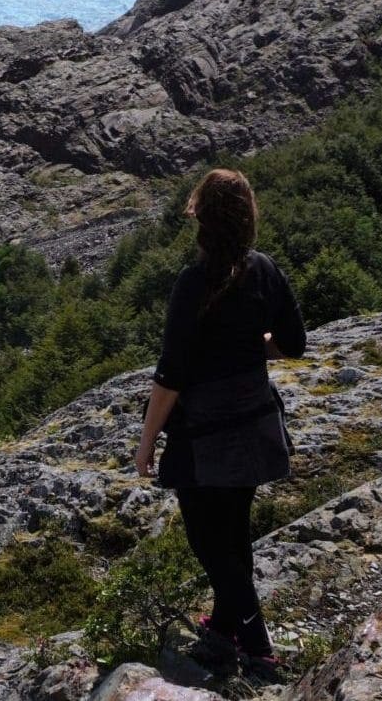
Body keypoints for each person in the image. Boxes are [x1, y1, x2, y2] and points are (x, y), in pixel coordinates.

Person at [133, 167, 307, 682]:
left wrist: (146, 442)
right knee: (232, 537)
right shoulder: (265, 270)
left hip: (203, 439)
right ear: (249, 217)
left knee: (211, 546)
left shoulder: (193, 283)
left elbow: (171, 376)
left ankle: (258, 651)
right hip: (253, 426)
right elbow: (294, 343)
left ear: (202, 220)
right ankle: (225, 630)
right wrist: (252, 343)